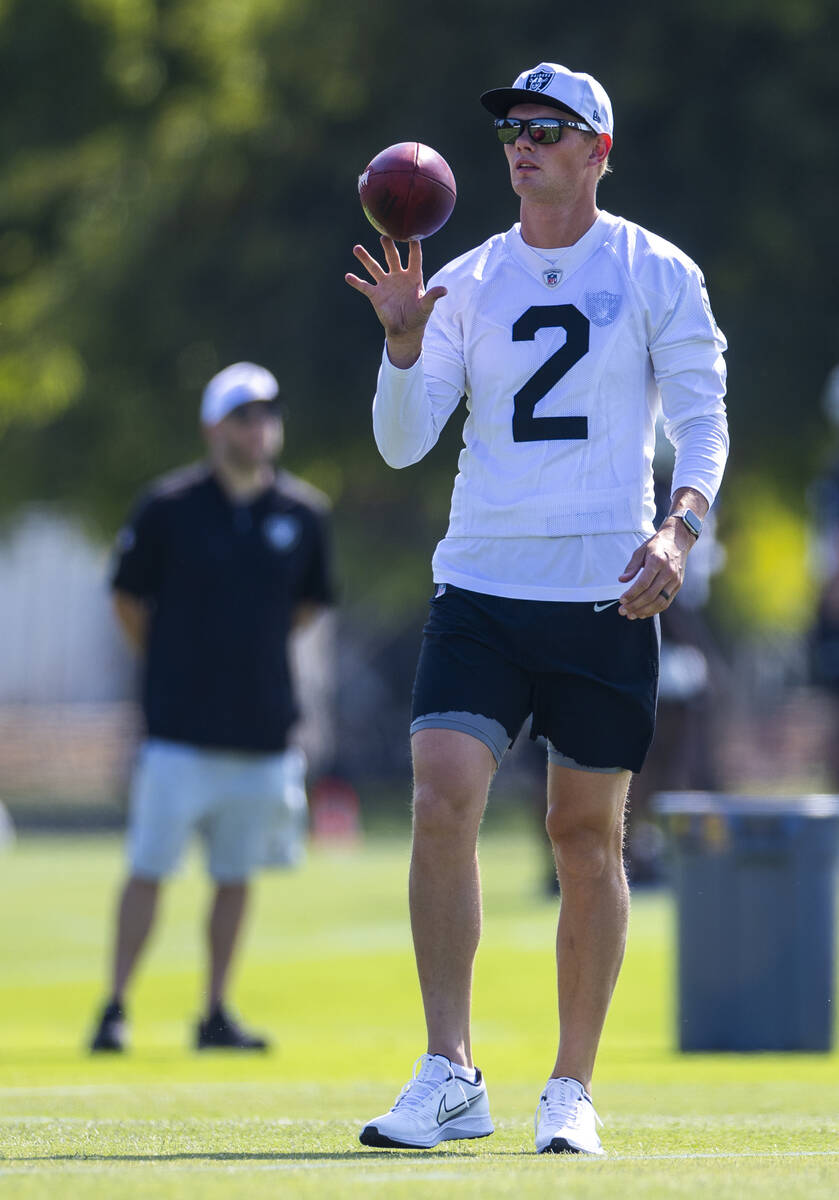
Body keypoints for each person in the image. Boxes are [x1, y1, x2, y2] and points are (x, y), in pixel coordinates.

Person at [345, 62, 728, 1155]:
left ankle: (570, 1088)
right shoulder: (462, 279)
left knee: (582, 835)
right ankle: (447, 1069)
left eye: (548, 128)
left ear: (596, 150)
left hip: (602, 591)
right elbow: (403, 439)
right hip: (480, 578)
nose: (522, 142)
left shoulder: (656, 270)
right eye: (513, 126)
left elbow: (702, 422)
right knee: (440, 795)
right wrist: (402, 343)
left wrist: (678, 527)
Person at [89, 362, 334, 1053]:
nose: (258, 428)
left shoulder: (303, 514)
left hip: (262, 730)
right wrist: (171, 663)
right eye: (243, 415)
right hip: (178, 730)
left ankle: (215, 1010)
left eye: (266, 415)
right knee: (149, 868)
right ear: (213, 426)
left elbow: (309, 603)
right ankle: (113, 1006)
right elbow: (126, 598)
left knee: (235, 875)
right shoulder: (167, 508)